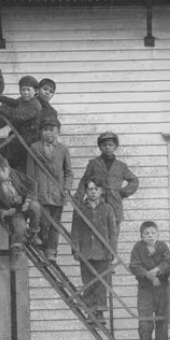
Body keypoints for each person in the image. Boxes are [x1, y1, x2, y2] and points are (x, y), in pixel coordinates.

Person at [71, 178, 117, 322]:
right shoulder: (80, 209)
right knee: (88, 282)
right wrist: (76, 249)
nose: (93, 192)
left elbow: (112, 232)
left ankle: (100, 313)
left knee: (101, 283)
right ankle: (91, 313)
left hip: (103, 253)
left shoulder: (108, 208)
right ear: (86, 191)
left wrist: (112, 251)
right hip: (86, 252)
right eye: (90, 189)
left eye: (96, 189)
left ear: (101, 191)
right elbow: (75, 230)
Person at [83, 132, 138, 245]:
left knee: (113, 234)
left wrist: (122, 193)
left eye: (111, 145)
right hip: (98, 202)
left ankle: (111, 257)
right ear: (100, 147)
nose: (108, 147)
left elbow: (134, 181)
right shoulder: (93, 164)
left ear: (115, 147)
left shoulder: (121, 166)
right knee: (97, 232)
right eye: (104, 145)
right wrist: (79, 198)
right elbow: (84, 181)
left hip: (115, 203)